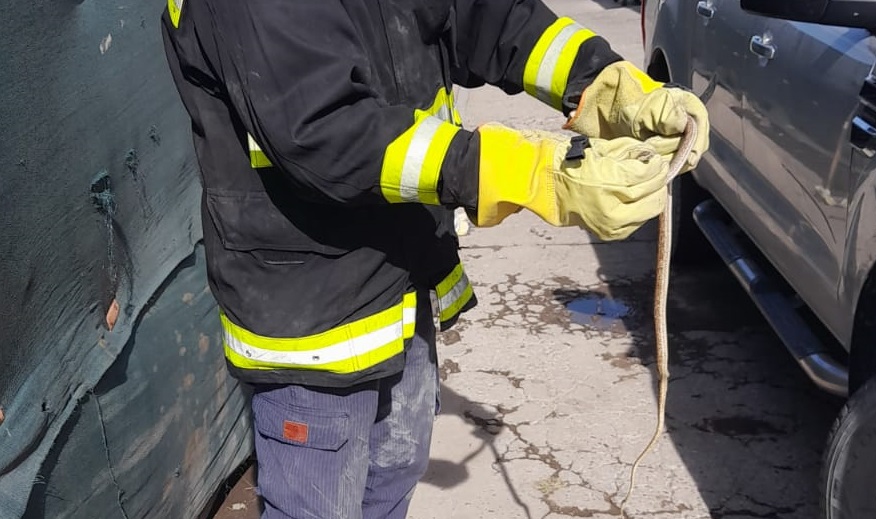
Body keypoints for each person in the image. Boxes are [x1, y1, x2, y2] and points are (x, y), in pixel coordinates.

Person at [161, 1, 709, 517]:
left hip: (402, 272)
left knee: (393, 471)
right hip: (310, 311)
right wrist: (522, 171)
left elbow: (483, 14)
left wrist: (602, 81)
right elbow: (323, 133)